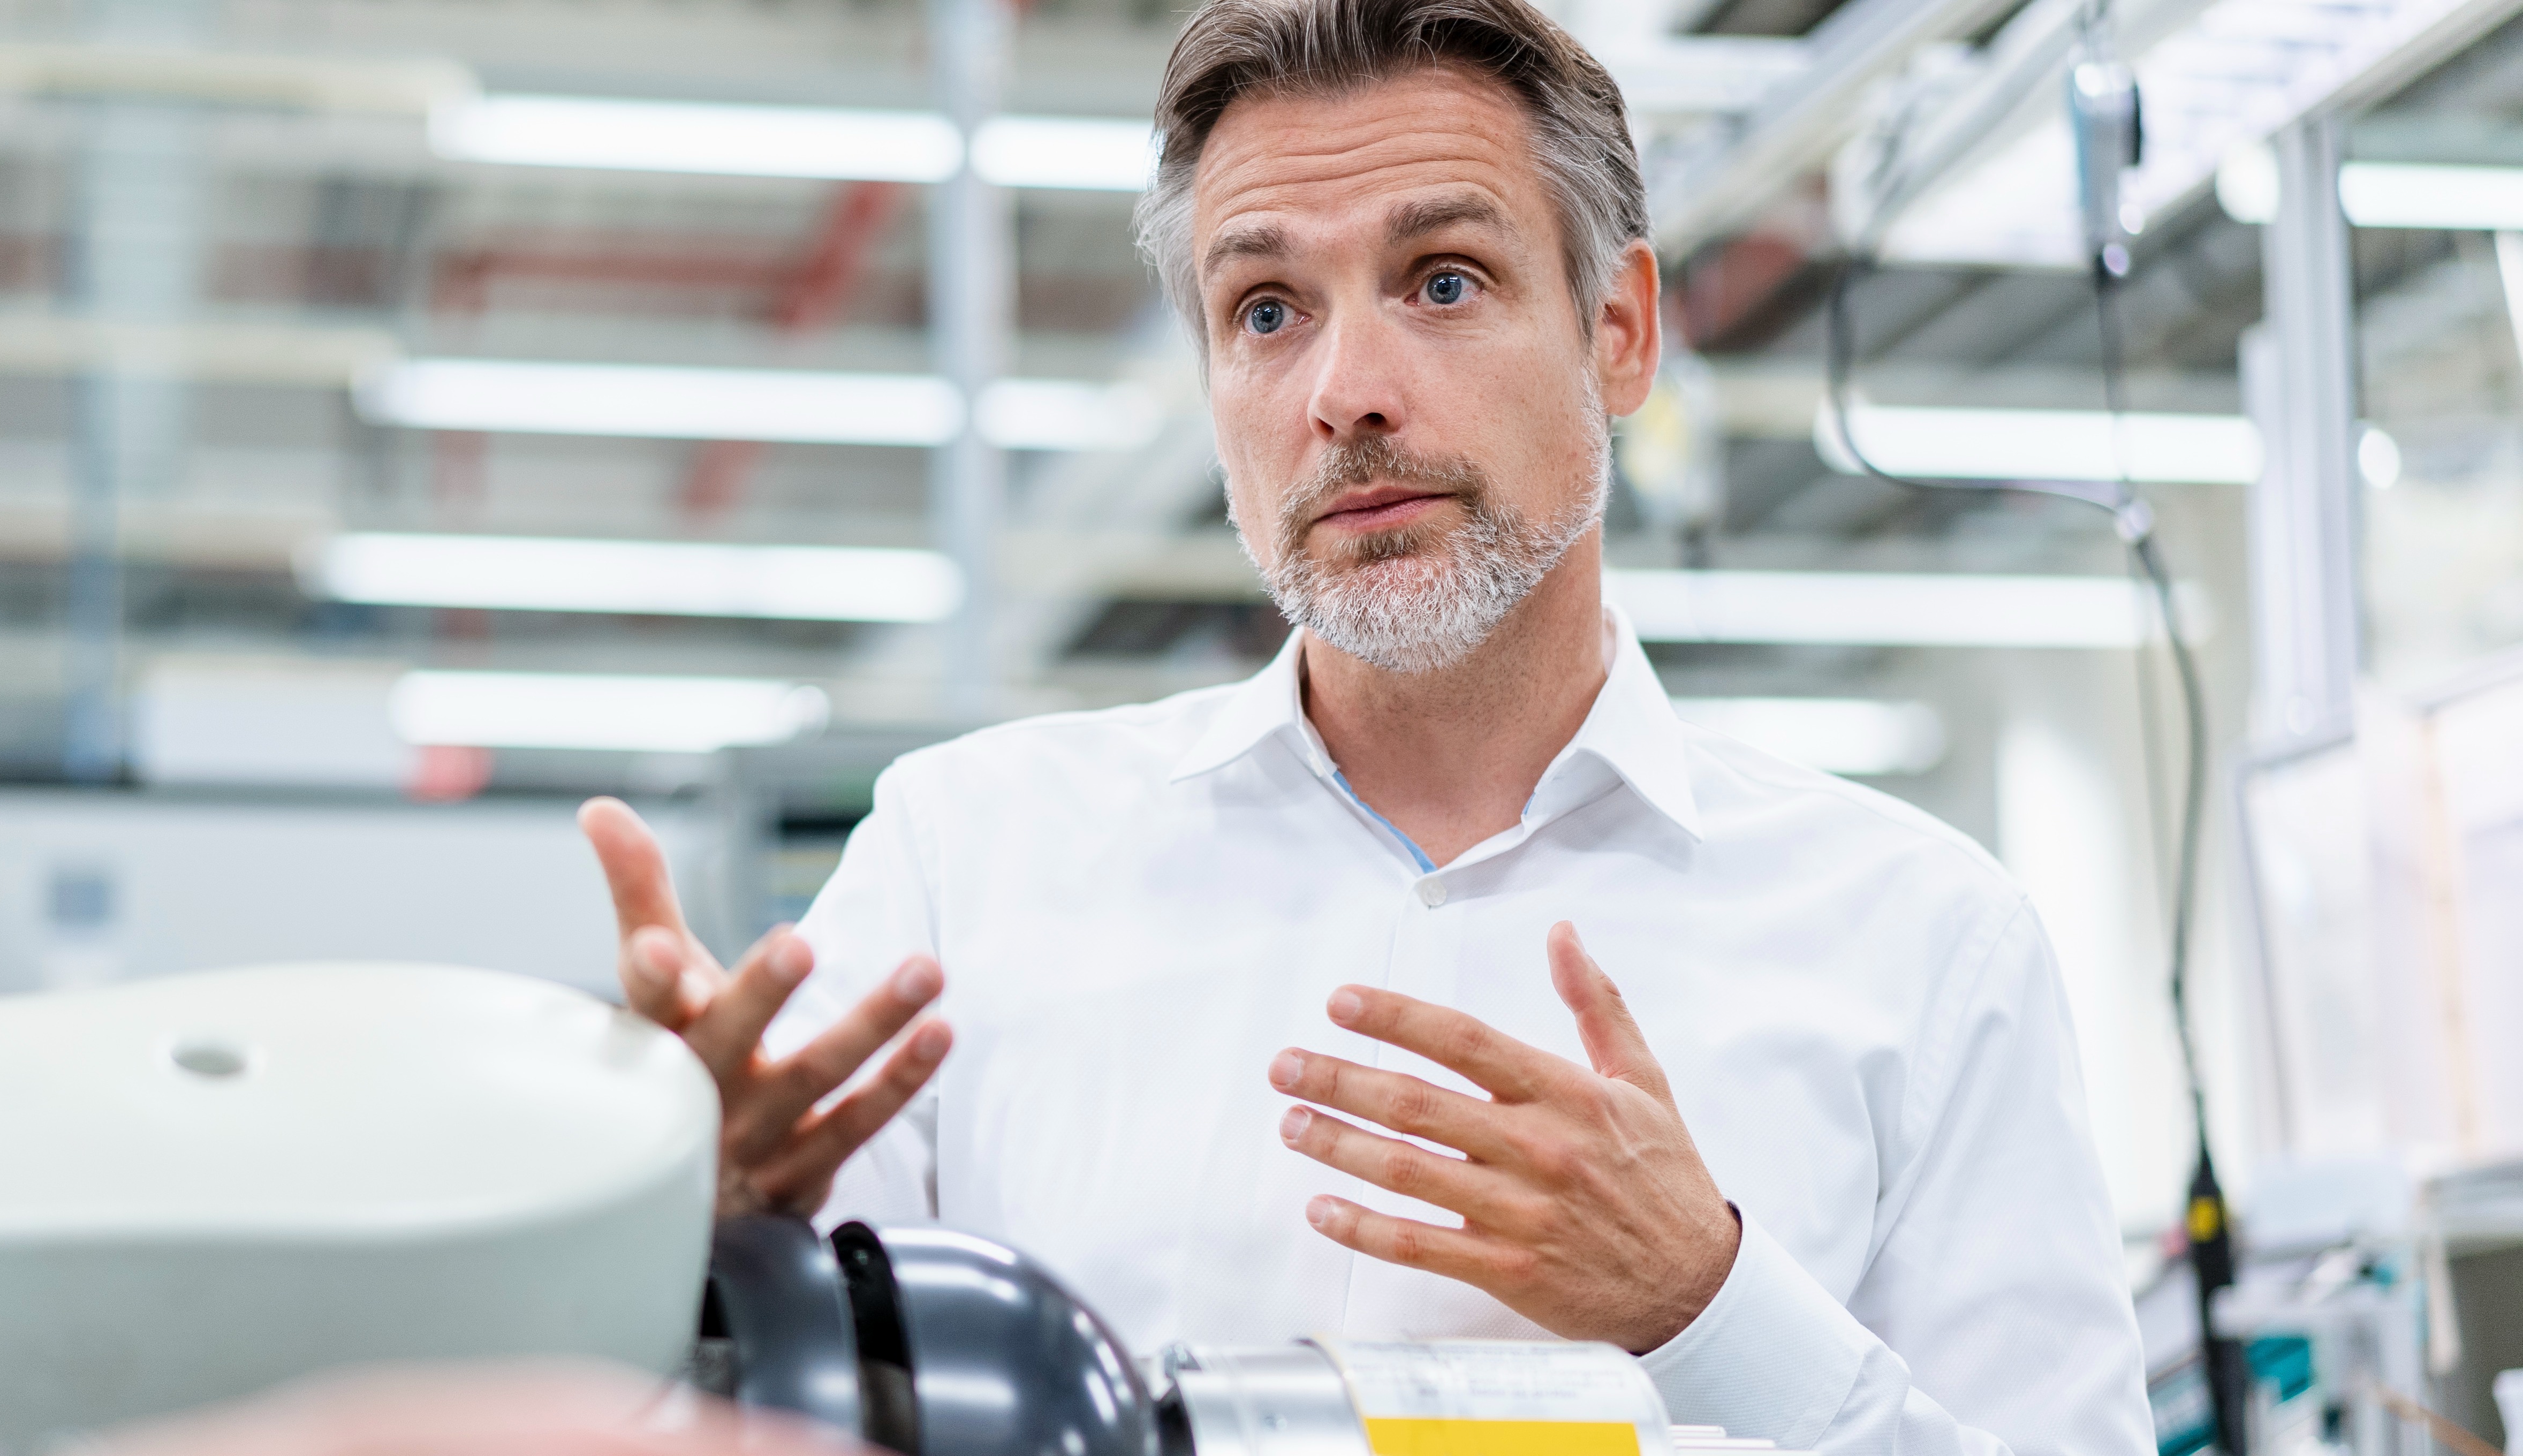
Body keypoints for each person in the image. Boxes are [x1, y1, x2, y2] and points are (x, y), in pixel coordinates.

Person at [579, 1, 2152, 1452]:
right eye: (1266, 309)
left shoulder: (1925, 941)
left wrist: (1712, 1308)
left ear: (1619, 330)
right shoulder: (963, 867)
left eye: (1443, 281)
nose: (1347, 390)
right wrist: (684, 1241)